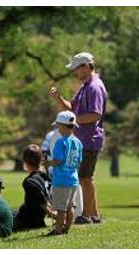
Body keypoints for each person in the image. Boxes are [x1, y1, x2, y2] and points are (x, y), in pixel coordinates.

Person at [50, 52, 107, 224]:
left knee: (85, 179)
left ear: (86, 66)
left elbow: (95, 115)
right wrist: (59, 98)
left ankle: (87, 216)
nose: (75, 72)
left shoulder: (94, 87)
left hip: (90, 139)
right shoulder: (85, 87)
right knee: (86, 178)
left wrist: (73, 121)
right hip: (83, 140)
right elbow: (71, 108)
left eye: (77, 68)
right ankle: (94, 215)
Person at [43, 111, 83, 235]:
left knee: (61, 209)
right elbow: (79, 161)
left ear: (63, 126)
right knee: (70, 207)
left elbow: (58, 160)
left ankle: (58, 230)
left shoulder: (60, 142)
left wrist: (47, 163)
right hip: (73, 180)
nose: (58, 128)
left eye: (58, 125)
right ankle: (67, 229)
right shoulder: (78, 142)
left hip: (61, 180)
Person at [13, 144, 55, 231]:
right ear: (40, 160)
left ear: (25, 161)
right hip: (37, 218)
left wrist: (57, 217)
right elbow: (47, 201)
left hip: (27, 221)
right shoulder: (45, 177)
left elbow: (43, 203)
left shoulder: (29, 182)